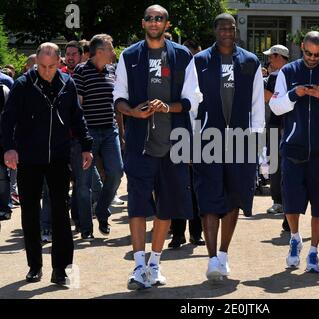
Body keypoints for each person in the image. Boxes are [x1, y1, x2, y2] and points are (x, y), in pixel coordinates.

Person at [113, 4, 202, 289]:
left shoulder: (182, 56)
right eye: (150, 18)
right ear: (143, 23)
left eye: (159, 18)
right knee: (138, 206)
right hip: (140, 145)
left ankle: (155, 264)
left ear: (167, 23)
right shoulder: (129, 56)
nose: (154, 22)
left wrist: (166, 107)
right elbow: (119, 98)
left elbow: (193, 99)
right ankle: (138, 266)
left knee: (166, 207)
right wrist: (133, 112)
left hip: (173, 144)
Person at [1, 42, 93, 285]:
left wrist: (86, 145)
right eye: (42, 65)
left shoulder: (67, 83)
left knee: (61, 212)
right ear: (36, 62)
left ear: (60, 62)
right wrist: (9, 148)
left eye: (52, 66)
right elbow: (7, 119)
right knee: (30, 212)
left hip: (59, 157)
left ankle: (61, 269)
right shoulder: (23, 84)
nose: (46, 70)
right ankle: (34, 265)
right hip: (29, 158)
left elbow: (77, 116)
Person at [193, 13, 265, 281]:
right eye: (222, 28)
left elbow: (258, 104)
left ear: (236, 31)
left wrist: (257, 142)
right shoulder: (200, 61)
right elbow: (191, 102)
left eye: (231, 28)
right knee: (209, 198)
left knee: (234, 196)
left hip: (241, 140)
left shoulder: (249, 61)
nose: (227, 32)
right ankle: (211, 259)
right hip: (207, 140)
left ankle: (223, 254)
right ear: (215, 31)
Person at [269, 31, 319, 273]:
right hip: (294, 147)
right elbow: (276, 106)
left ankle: (314, 251)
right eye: (308, 53)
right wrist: (295, 94)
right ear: (301, 46)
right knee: (291, 201)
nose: (312, 58)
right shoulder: (288, 71)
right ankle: (294, 238)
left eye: (317, 55)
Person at [73, 34, 123, 240]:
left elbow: (118, 105)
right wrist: (82, 137)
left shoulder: (113, 71)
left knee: (117, 172)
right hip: (88, 133)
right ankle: (86, 228)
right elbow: (77, 106)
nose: (114, 53)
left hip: (110, 131)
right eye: (111, 48)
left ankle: (102, 211)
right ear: (100, 51)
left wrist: (122, 132)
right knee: (83, 183)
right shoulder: (81, 71)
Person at [169, 39, 205, 249]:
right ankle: (177, 234)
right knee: (176, 188)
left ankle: (196, 233)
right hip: (177, 139)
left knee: (196, 191)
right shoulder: (174, 88)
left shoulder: (202, 87)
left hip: (198, 141)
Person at [262, 45, 290, 231]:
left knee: (286, 165)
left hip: (287, 125)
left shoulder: (289, 74)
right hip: (273, 123)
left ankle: (285, 201)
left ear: (280, 57)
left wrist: (271, 96)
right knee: (274, 164)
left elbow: (270, 98)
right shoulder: (272, 76)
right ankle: (277, 200)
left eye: (272, 57)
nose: (269, 61)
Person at [0, 83, 12, 224]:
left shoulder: (3, 90)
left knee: (2, 176)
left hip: (1, 140)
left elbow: (10, 117)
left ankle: (5, 207)